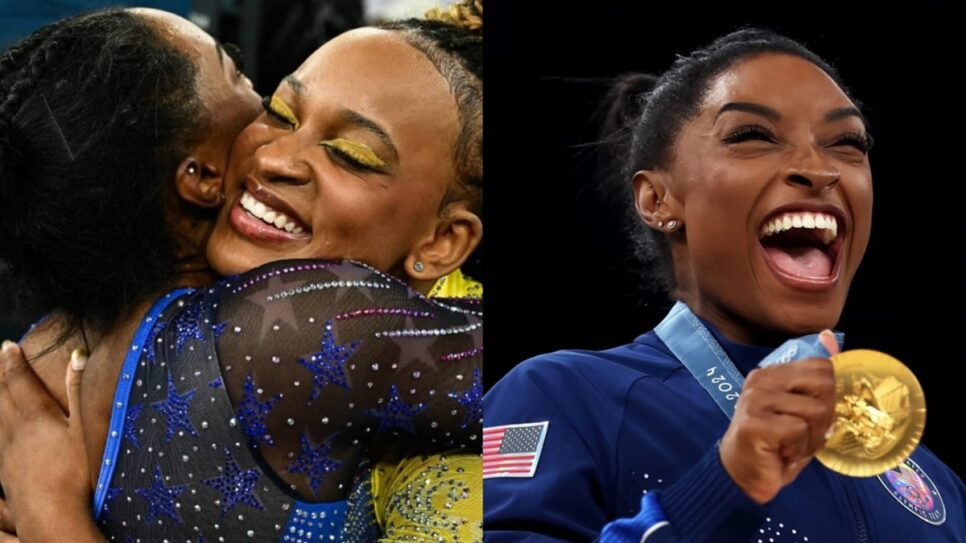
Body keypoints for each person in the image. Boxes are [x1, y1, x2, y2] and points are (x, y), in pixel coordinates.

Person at [0, 2, 483, 541]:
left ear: (446, 239)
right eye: (277, 111)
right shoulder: (301, 323)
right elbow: (558, 379)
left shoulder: (36, 359)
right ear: (200, 175)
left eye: (351, 155)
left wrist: (49, 513)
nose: (276, 156)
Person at [483, 28, 965, 542]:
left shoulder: (933, 480)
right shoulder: (562, 400)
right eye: (752, 136)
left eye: (847, 143)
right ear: (657, 201)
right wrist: (723, 484)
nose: (818, 169)